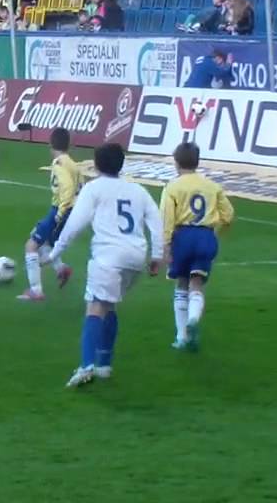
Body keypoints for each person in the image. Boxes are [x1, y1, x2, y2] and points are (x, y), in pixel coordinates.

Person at [50, 143, 163, 388]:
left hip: (109, 256)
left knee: (95, 307)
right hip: (135, 257)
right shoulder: (138, 191)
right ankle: (104, 365)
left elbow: (74, 225)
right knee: (109, 306)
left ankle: (86, 365)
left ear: (96, 164)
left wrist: (55, 252)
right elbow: (156, 221)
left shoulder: (94, 189)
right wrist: (157, 256)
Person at [162, 142, 235, 351]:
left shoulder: (172, 187)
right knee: (197, 282)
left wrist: (166, 245)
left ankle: (182, 335)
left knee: (181, 284)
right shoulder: (212, 186)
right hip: (205, 236)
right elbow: (228, 215)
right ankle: (194, 318)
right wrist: (215, 232)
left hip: (183, 236)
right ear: (197, 161)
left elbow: (166, 219)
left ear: (176, 162)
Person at [16, 127, 81, 302]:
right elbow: (79, 188)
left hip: (61, 210)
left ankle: (36, 290)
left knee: (31, 245)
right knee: (43, 242)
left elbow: (67, 188)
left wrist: (60, 212)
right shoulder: (74, 165)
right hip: (71, 211)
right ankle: (61, 269)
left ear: (50, 144)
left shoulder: (58, 163)